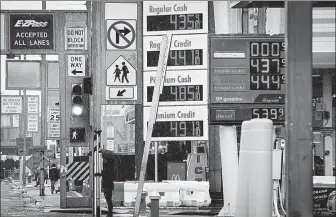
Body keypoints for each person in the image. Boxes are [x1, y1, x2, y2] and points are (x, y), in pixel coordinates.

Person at [89, 148, 119, 217]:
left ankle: (110, 209)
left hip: (108, 183)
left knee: (108, 196)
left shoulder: (110, 165)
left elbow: (107, 173)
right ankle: (110, 208)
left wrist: (101, 173)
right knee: (108, 196)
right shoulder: (111, 164)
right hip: (108, 183)